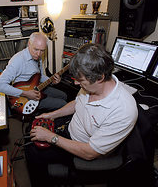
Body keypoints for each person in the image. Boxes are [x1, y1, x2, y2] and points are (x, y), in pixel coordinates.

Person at [25, 43, 138, 187]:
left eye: (81, 80)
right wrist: (52, 115)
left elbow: (89, 152)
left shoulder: (123, 110)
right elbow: (77, 103)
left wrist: (50, 137)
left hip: (82, 148)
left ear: (99, 78)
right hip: (71, 127)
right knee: (31, 128)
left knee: (32, 151)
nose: (77, 84)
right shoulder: (92, 85)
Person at [0, 32, 67, 113]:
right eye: (36, 49)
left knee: (64, 95)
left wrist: (52, 80)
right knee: (63, 103)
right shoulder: (18, 60)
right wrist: (25, 93)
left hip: (38, 87)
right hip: (24, 97)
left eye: (42, 51)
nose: (39, 54)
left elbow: (40, 76)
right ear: (29, 44)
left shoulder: (38, 56)